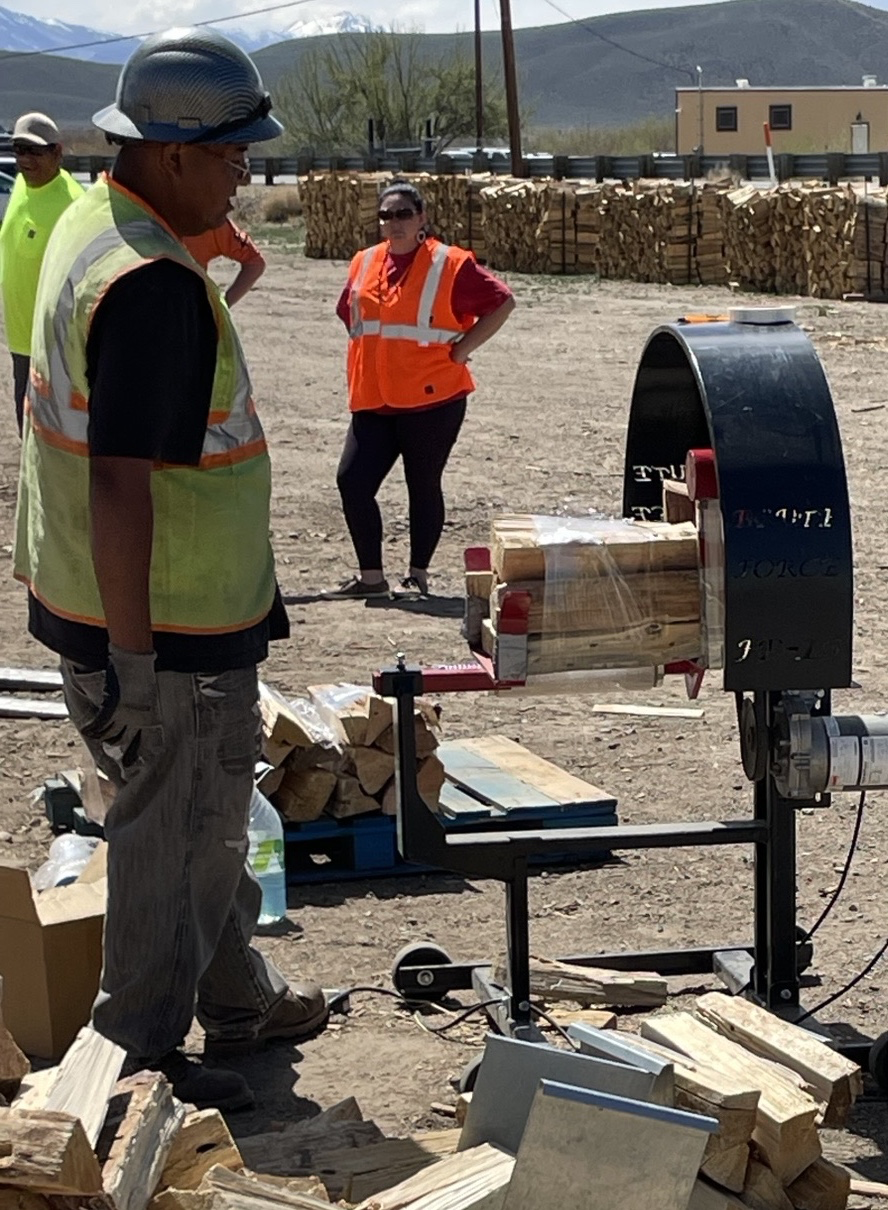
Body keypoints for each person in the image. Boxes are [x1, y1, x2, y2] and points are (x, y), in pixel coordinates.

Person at [13, 27, 327, 1112]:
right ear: (175, 150)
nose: (246, 174)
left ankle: (239, 997)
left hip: (92, 601)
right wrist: (138, 663)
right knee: (177, 835)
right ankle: (133, 1063)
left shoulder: (91, 222)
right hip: (167, 629)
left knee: (202, 821)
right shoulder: (150, 282)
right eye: (235, 154)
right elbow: (120, 483)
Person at [331, 180, 515, 598]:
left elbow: (502, 302)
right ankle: (371, 579)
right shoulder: (364, 261)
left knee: (423, 485)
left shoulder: (449, 263)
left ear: (422, 219)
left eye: (403, 214)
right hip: (375, 399)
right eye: (386, 215)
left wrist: (462, 350)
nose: (394, 222)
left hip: (433, 400)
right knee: (352, 481)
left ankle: (417, 575)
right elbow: (350, 313)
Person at [0, 113, 82, 435]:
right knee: (28, 430)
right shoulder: (22, 184)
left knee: (53, 437)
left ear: (57, 152)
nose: (25, 159)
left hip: (54, 346)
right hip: (21, 340)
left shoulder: (73, 205)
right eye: (19, 149)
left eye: (35, 151)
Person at [183, 217, 266, 306]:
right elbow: (255, 263)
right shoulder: (208, 218)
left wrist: (221, 307)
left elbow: (255, 262)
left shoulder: (209, 220)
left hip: (187, 307)